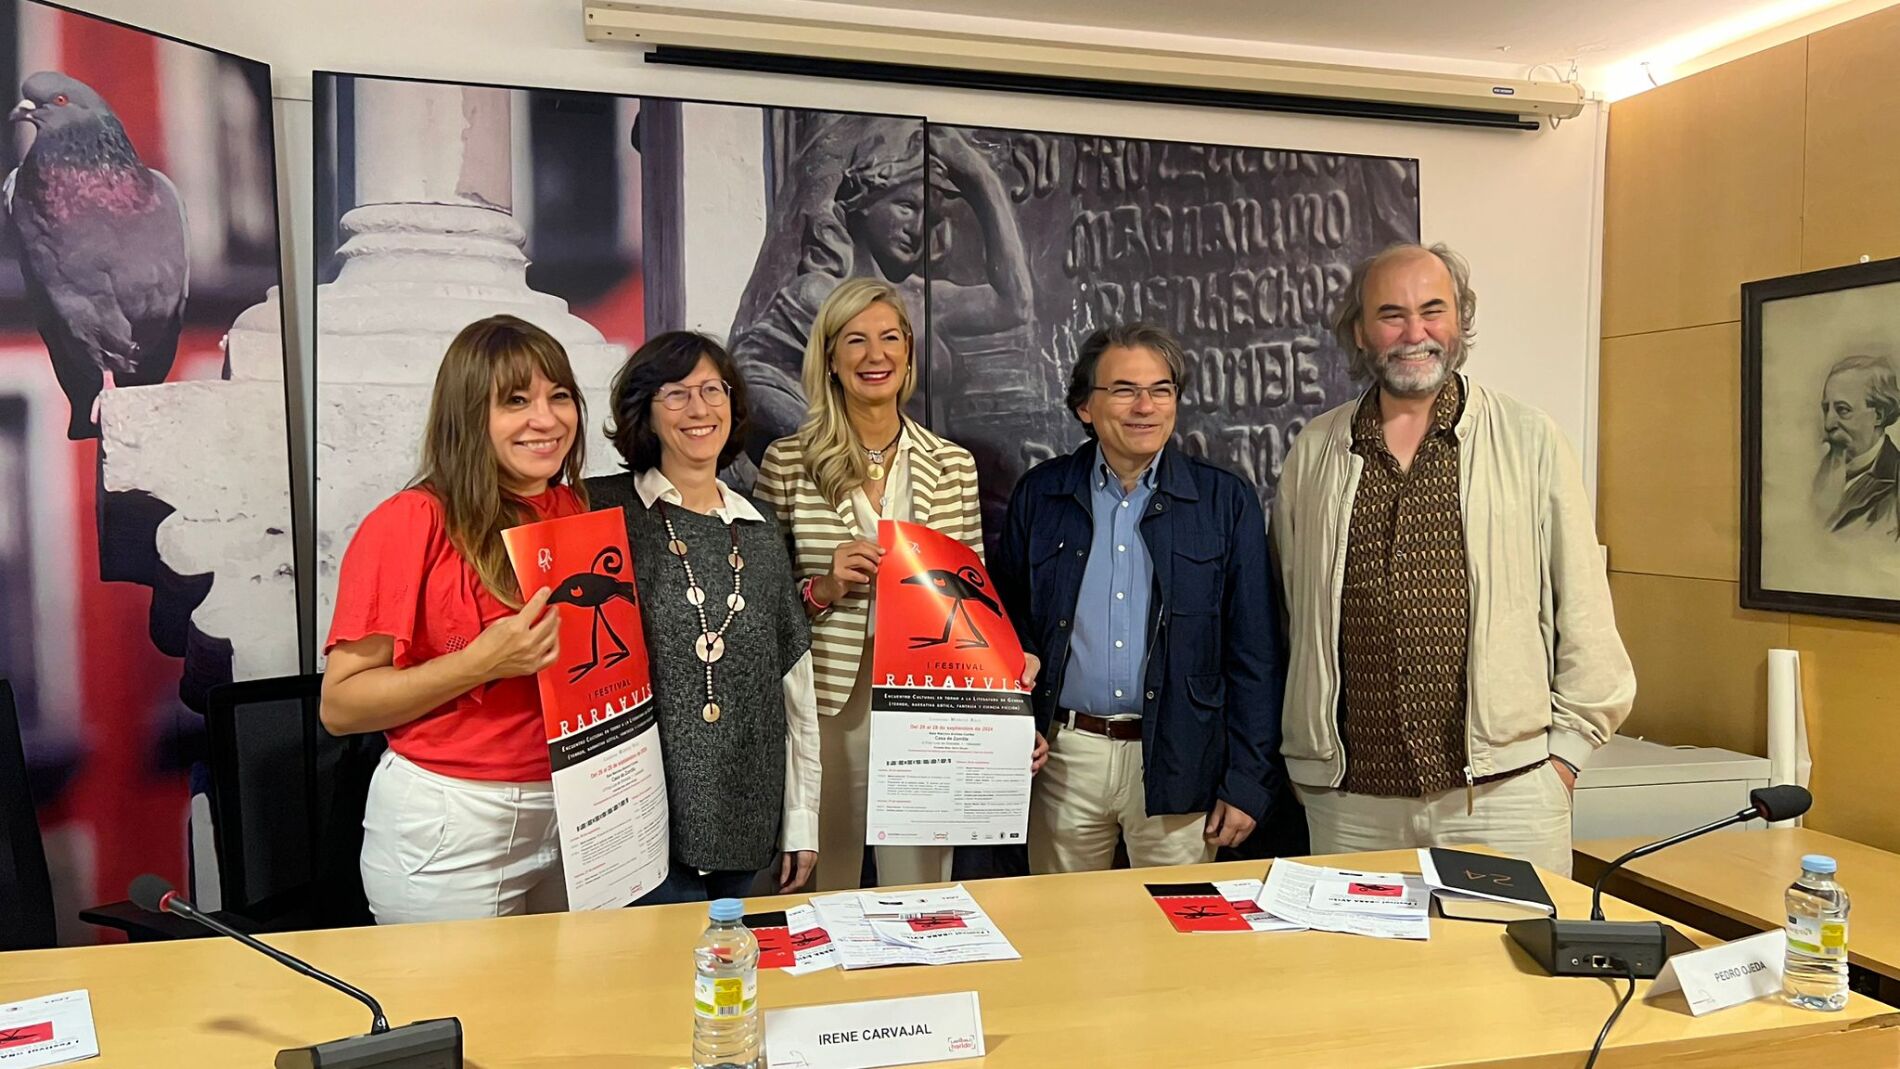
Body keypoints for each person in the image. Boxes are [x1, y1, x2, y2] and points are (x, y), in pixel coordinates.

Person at [1272, 241, 1636, 878]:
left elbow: (1583, 604)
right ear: (1360, 331)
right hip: (1352, 803)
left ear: (1460, 320)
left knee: (1514, 949)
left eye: (1432, 310)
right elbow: (1291, 608)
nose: (1414, 333)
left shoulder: (1528, 438)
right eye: (1391, 314)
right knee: (1353, 951)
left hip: (1505, 795)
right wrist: (1307, 764)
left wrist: (1565, 757)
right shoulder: (1316, 450)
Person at [755, 277, 1042, 892]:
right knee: (822, 881)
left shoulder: (953, 464)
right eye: (855, 340)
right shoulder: (788, 462)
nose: (875, 354)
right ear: (830, 358)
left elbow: (971, 596)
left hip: (926, 696)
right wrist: (823, 589)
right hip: (828, 699)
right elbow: (759, 605)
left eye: (889, 337)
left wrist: (1008, 698)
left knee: (920, 885)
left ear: (909, 353)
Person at [992, 322, 1286, 874]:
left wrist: (1249, 779)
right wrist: (1012, 722)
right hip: (1065, 759)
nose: (1145, 407)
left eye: (1161, 390)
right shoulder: (1042, 494)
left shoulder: (1223, 501)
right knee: (1061, 922)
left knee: (1177, 922)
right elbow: (1006, 622)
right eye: (1124, 390)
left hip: (1182, 758)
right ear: (1085, 406)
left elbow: (1256, 654)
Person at [321, 315, 585, 924]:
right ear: (468, 415)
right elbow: (341, 706)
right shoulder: (411, 520)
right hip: (453, 822)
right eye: (515, 401)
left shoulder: (572, 507)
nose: (546, 419)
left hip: (575, 808)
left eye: (559, 396)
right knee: (461, 991)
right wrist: (479, 664)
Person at [585, 332, 820, 903]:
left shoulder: (761, 528)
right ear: (645, 410)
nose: (699, 409)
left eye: (713, 390)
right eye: (676, 393)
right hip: (632, 817)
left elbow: (796, 689)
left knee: (730, 958)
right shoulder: (598, 509)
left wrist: (802, 819)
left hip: (747, 808)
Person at [1811, 353, 1900, 539]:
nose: (1828, 424)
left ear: (1878, 415)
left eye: (1843, 410)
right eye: (1826, 409)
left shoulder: (1895, 482)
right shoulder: (1814, 472)